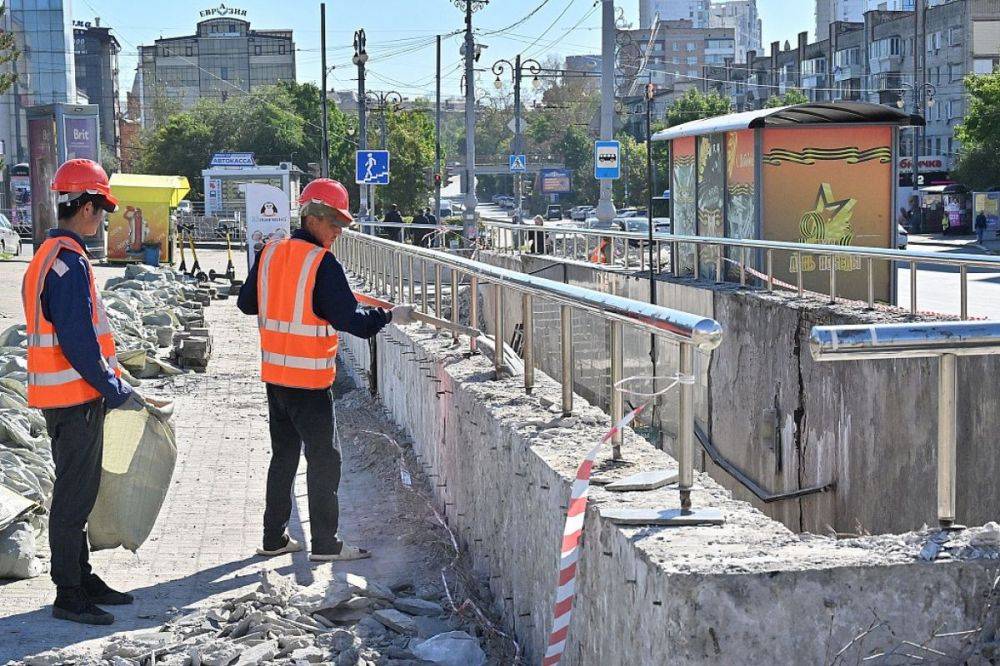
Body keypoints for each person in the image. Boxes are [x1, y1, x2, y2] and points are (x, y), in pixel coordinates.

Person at [238, 178, 414, 562]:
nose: (339, 232)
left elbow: (246, 305)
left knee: (283, 456)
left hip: (275, 378)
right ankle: (325, 544)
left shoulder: (269, 252)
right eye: (335, 223)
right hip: (309, 381)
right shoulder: (322, 262)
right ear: (313, 217)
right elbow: (355, 322)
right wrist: (389, 315)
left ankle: (273, 538)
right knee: (325, 460)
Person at [23, 159, 140, 625]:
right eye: (102, 209)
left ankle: (81, 575)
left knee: (81, 492)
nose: (103, 219)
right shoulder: (67, 264)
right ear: (88, 207)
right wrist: (114, 390)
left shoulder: (50, 256)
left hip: (69, 399)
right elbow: (78, 342)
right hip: (74, 401)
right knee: (73, 497)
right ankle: (68, 592)